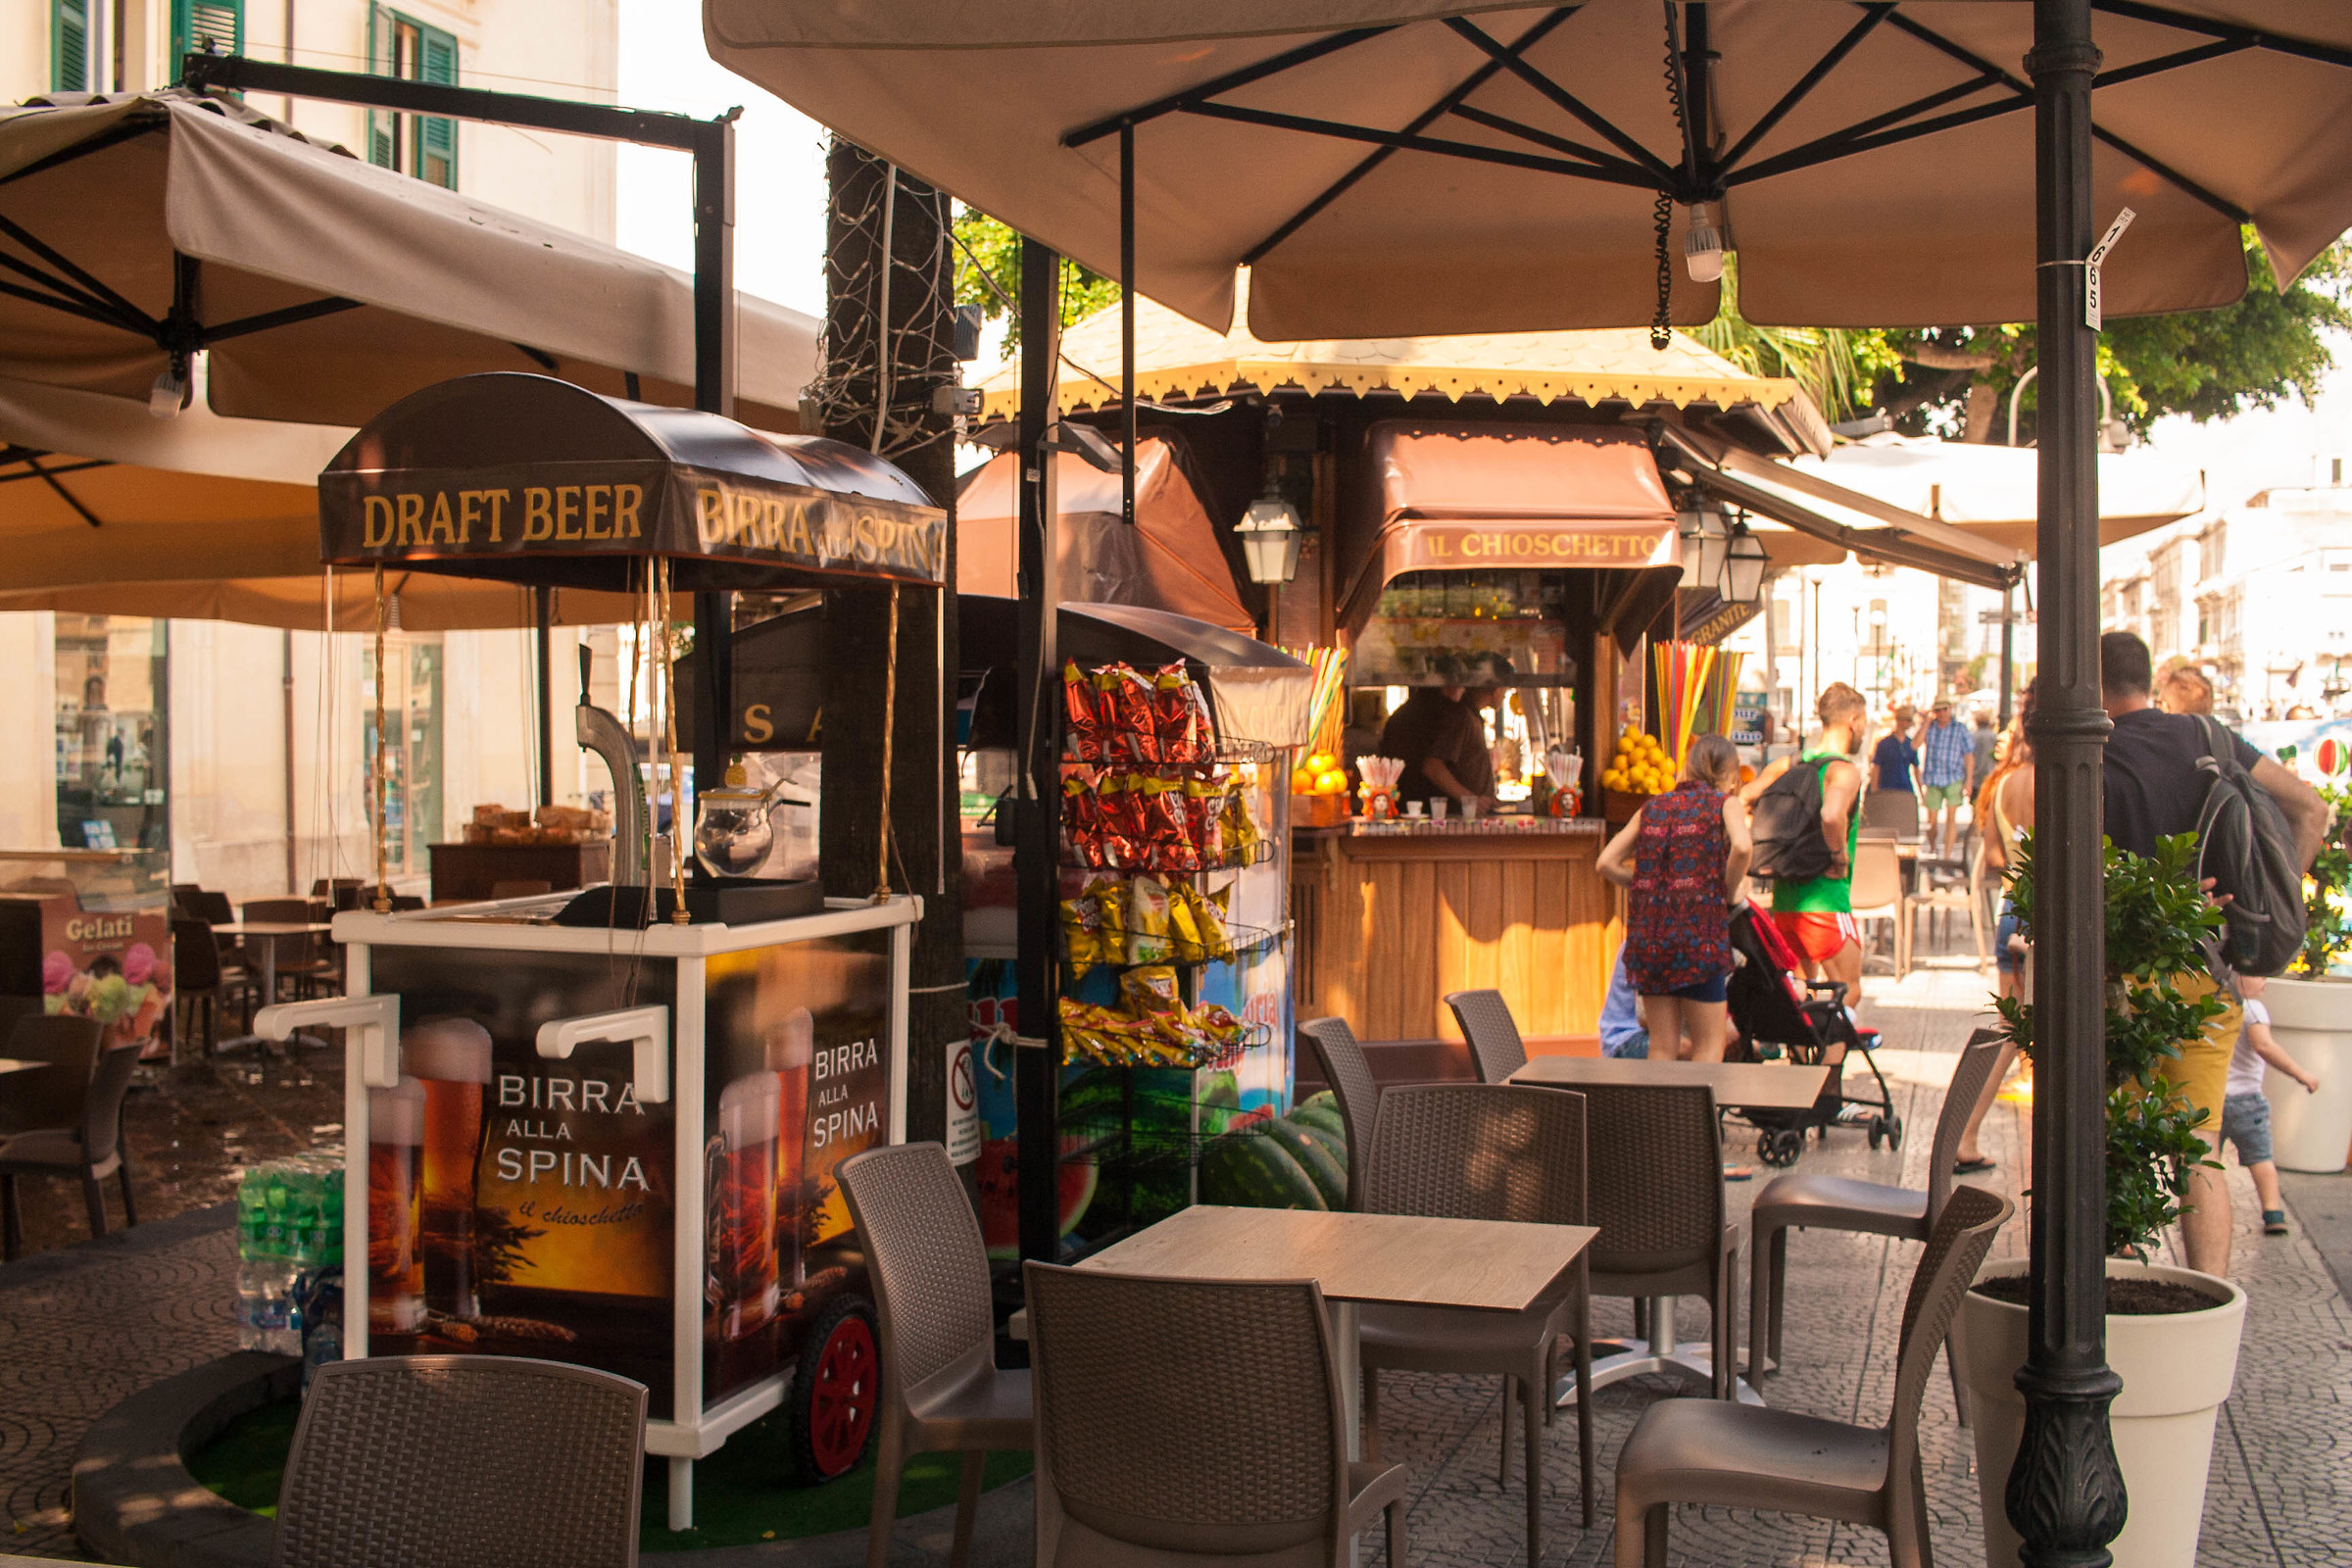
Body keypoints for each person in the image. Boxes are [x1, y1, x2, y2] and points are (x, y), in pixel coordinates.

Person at [2100, 629, 2329, 1277]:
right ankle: (2206, 1312)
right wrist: (2263, 923)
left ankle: (2109, 1309)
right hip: (2208, 973)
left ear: (2090, 685)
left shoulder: (2089, 753)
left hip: (2118, 979)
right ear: (2147, 680)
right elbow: (2310, 810)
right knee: (2197, 1153)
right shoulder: (2207, 737)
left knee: (2112, 1146)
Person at [1597, 735, 1752, 1062]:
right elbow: (1742, 846)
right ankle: (1696, 1116)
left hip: (1650, 942)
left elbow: (1606, 863)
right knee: (1709, 1046)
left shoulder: (1652, 807)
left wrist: (1651, 885)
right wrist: (1722, 889)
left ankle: (1658, 1115)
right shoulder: (1725, 803)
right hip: (1698, 940)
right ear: (1730, 775)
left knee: (1662, 1046)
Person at [1743, 683, 1869, 1011]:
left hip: (1785, 904)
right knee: (1848, 991)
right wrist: (1838, 855)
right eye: (1864, 723)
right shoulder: (1843, 771)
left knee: (1799, 995)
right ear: (1853, 720)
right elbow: (1831, 815)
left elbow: (1742, 799)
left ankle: (1803, 1062)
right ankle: (1829, 1064)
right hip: (1826, 899)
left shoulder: (1788, 766)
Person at [1954, 682, 2037, 1173]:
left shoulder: (2003, 785)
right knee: (2021, 1032)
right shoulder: (2058, 778)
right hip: (2042, 912)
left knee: (2012, 1027)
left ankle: (1965, 1134)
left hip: (2012, 903)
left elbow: (1995, 856)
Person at [2221, 973, 2323, 1237]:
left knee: (2206, 1162)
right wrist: (2301, 1074)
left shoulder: (2217, 1005)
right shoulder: (2252, 1008)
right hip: (2247, 1103)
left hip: (2213, 1100)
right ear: (2237, 977)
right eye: (2257, 974)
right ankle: (2272, 1212)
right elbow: (2263, 1045)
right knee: (2262, 1160)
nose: (2264, 979)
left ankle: (2204, 1210)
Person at [1377, 685, 1494, 809]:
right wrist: (1470, 800)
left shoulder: (1401, 715)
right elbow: (1433, 767)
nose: (1461, 690)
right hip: (1435, 808)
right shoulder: (1451, 714)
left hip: (1405, 804)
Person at [1916, 695, 1975, 858]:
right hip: (1933, 778)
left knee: (1951, 817)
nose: (1942, 713)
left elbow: (1969, 755)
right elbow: (1915, 744)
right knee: (1932, 821)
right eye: (1938, 710)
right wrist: (1926, 722)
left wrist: (1968, 780)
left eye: (1945, 709)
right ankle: (1934, 848)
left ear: (1950, 709)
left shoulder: (1960, 728)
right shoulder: (1930, 727)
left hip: (1953, 777)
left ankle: (1947, 856)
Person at [1865, 704, 1920, 836]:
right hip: (1886, 785)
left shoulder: (1910, 744)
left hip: (1904, 786)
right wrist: (1874, 789)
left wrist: (1920, 790)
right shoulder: (1884, 744)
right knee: (1886, 821)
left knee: (1905, 822)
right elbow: (1876, 767)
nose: (1908, 723)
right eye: (1906, 720)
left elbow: (1916, 767)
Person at [1597, 947, 1648, 1058]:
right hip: (1628, 1034)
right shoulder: (1644, 944)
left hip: (1658, 1029)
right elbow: (1645, 1017)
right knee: (1684, 1047)